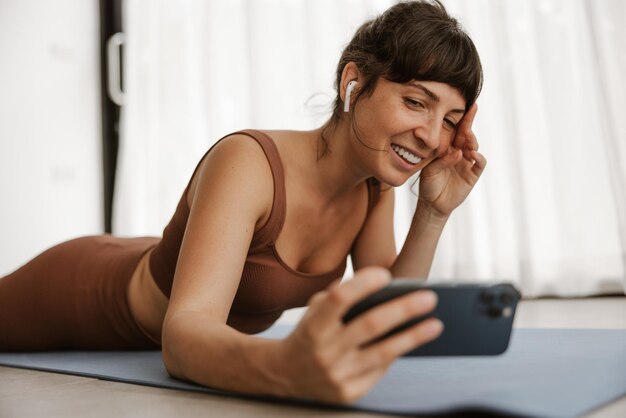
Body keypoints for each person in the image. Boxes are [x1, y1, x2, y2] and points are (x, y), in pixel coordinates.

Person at [0, 0, 484, 403]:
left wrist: (433, 212)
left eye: (450, 119)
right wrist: (289, 366)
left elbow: (386, 314)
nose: (429, 135)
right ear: (353, 83)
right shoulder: (249, 162)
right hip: (86, 292)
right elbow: (184, 334)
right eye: (416, 102)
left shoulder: (374, 185)